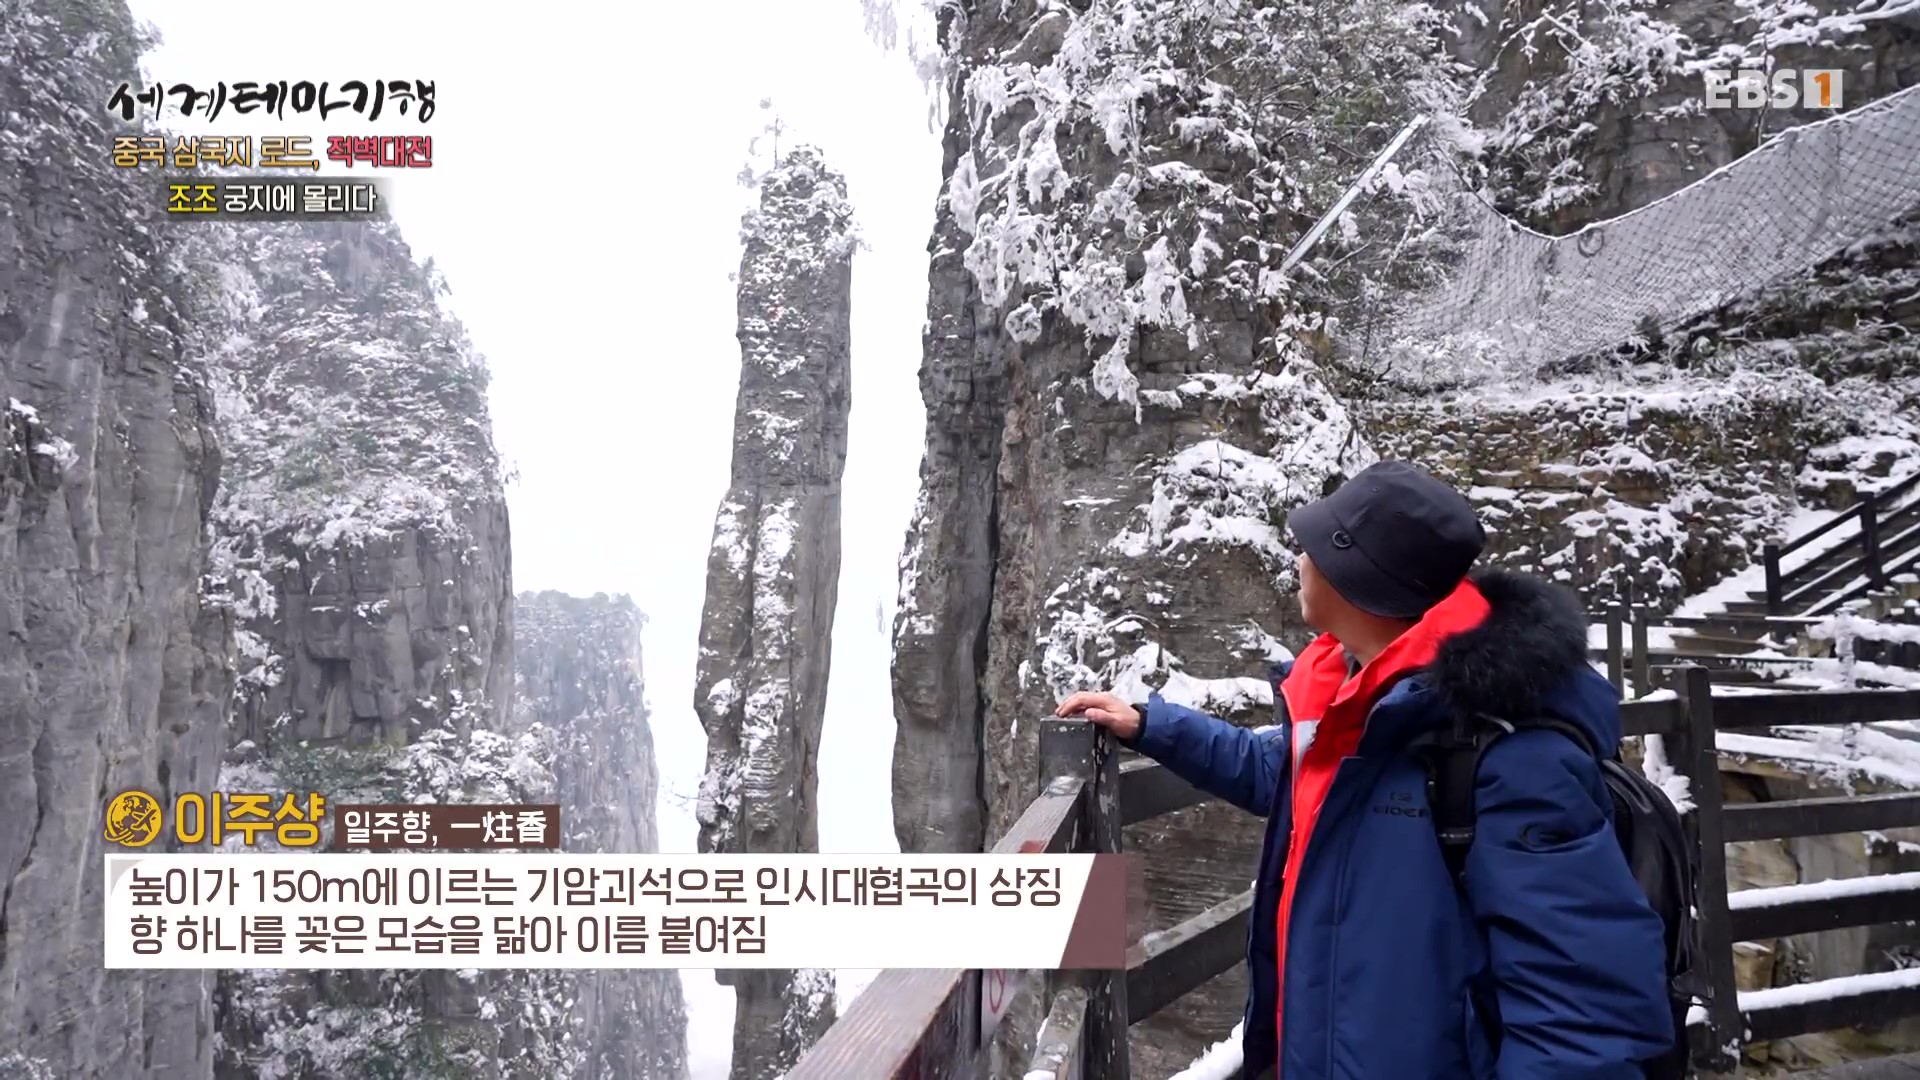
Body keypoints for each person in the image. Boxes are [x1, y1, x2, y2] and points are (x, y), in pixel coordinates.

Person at [1056, 460, 1673, 1080]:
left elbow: (1579, 1013)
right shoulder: (1356, 694)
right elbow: (1280, 770)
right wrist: (1152, 725)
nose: (1299, 559)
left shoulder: (1508, 754)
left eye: (1314, 547)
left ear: (1359, 578)